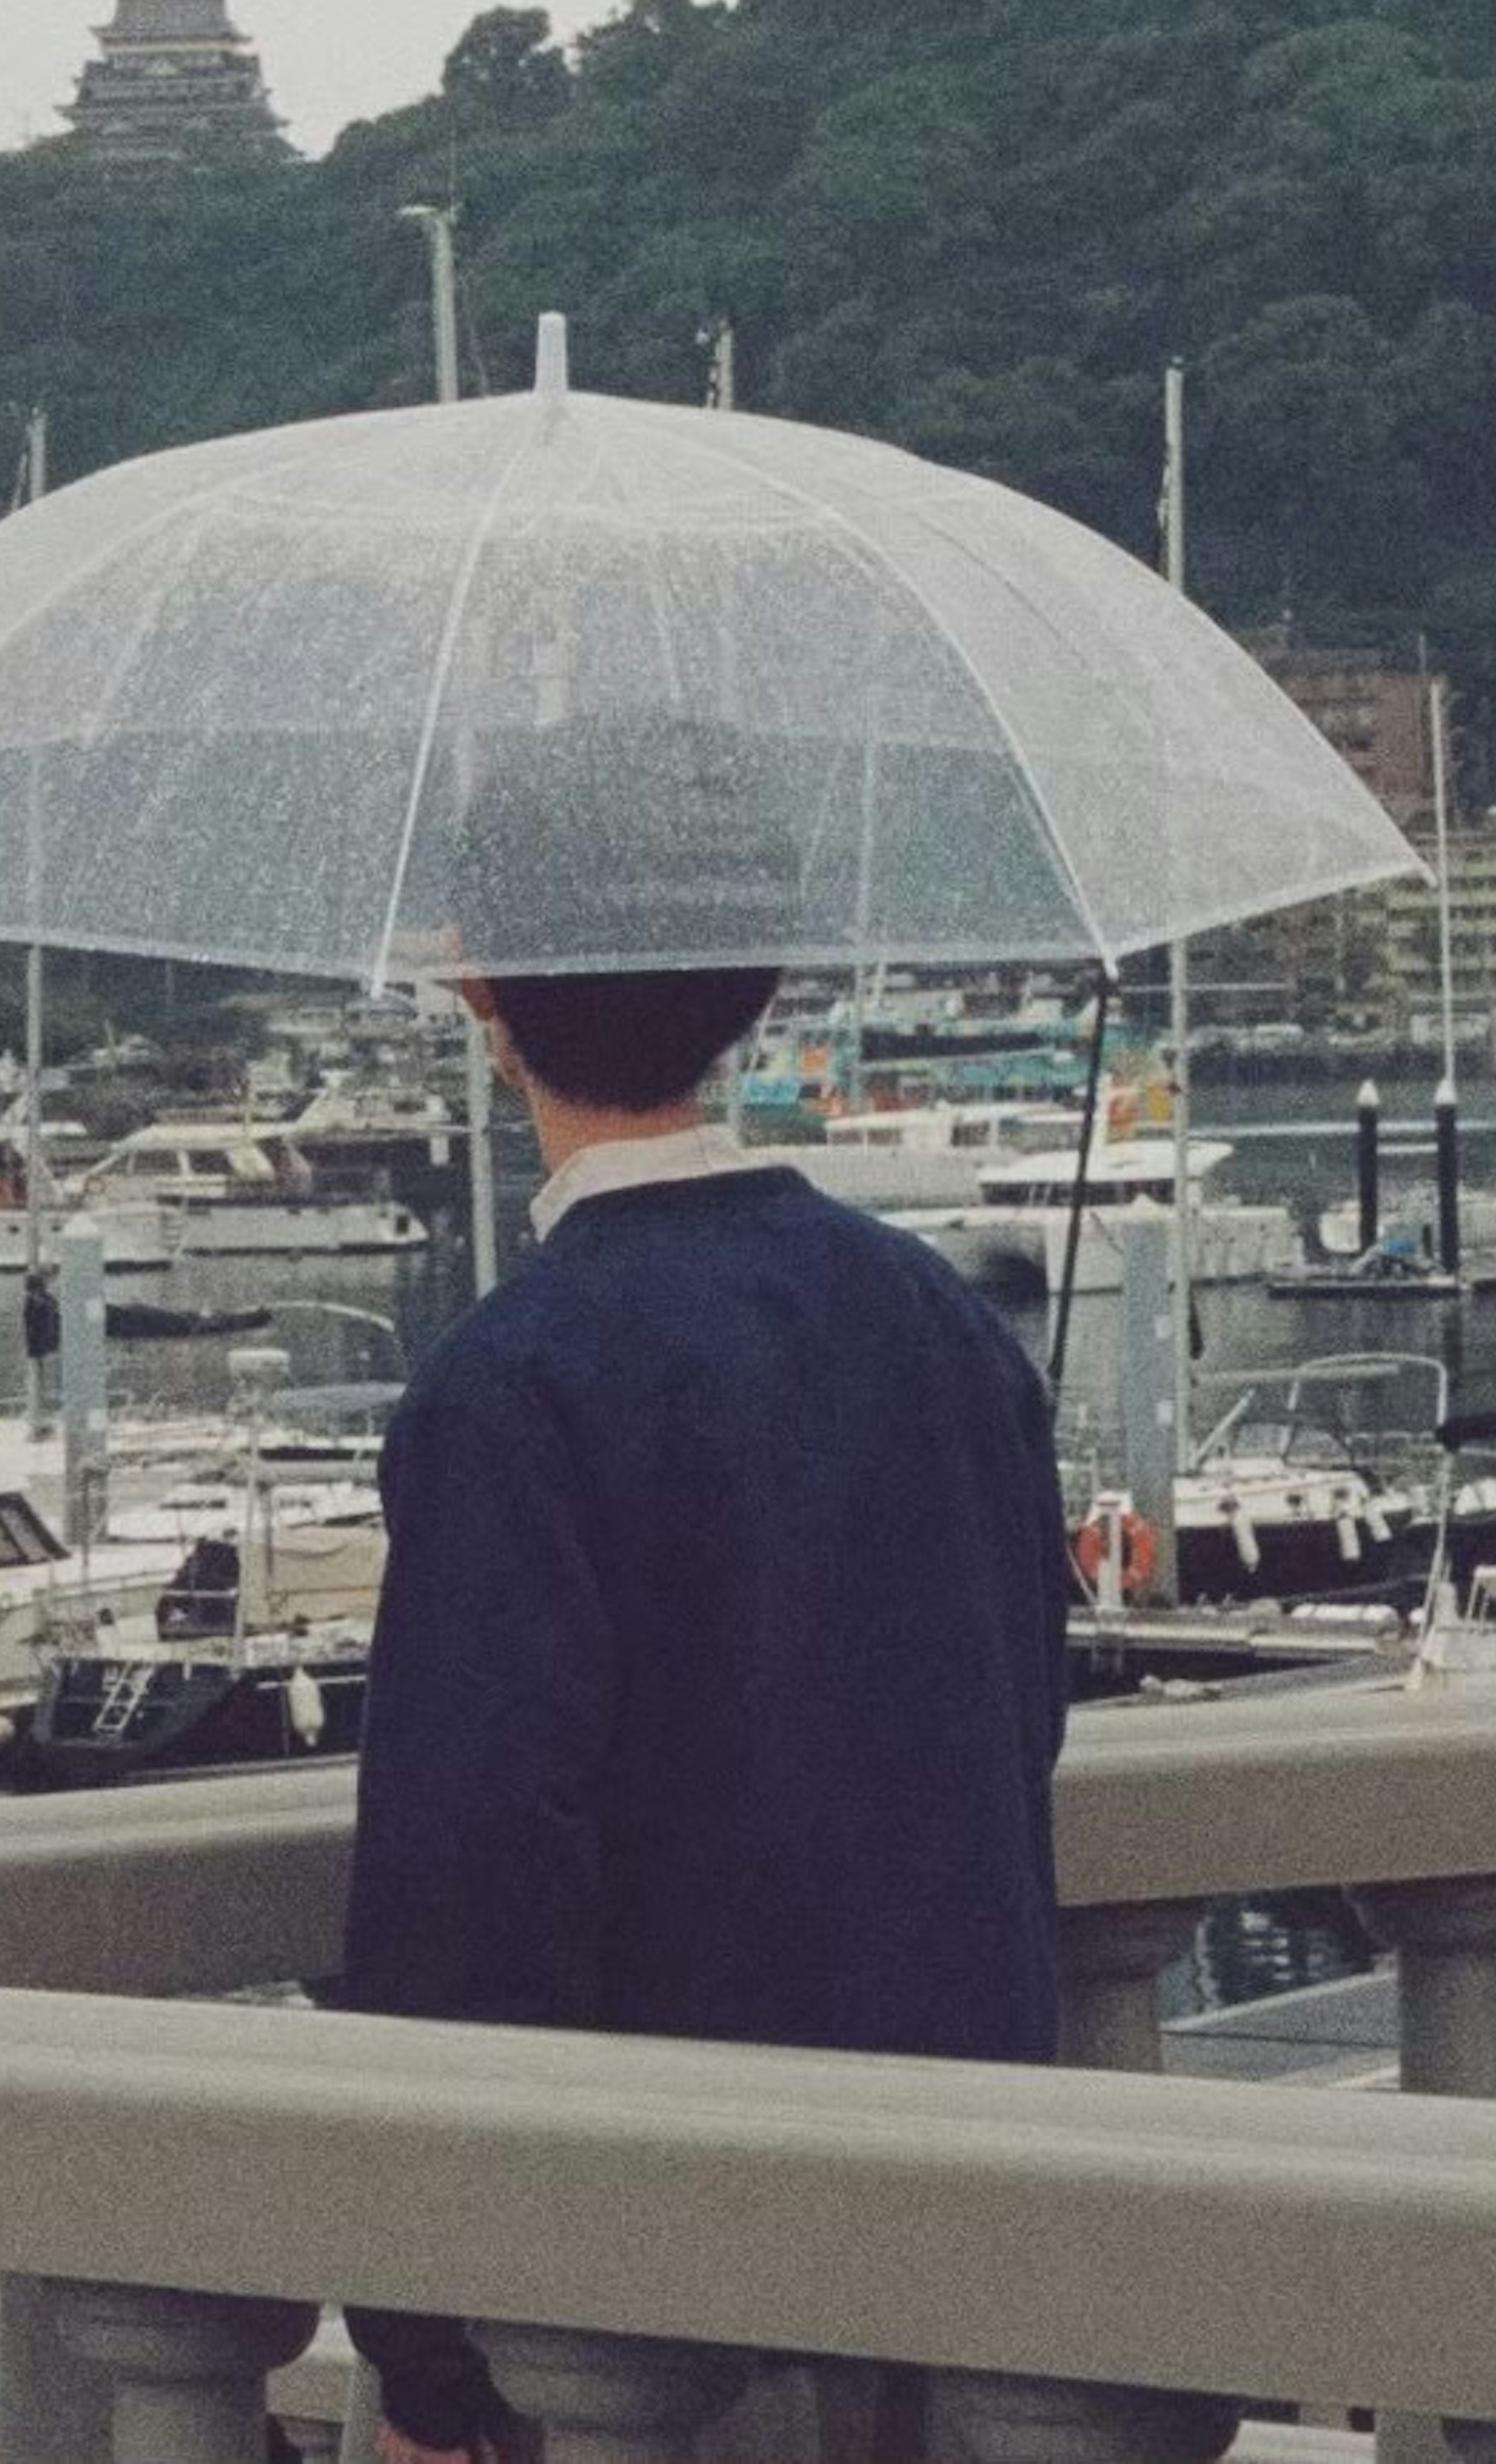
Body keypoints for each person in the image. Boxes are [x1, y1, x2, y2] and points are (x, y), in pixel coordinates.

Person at [342, 727, 1069, 2464]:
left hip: (650, 2286)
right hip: (959, 2241)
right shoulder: (945, 1322)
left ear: (482, 989)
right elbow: (1018, 1715)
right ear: (746, 989)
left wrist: (433, 2361)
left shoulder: (514, 1384)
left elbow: (468, 1885)